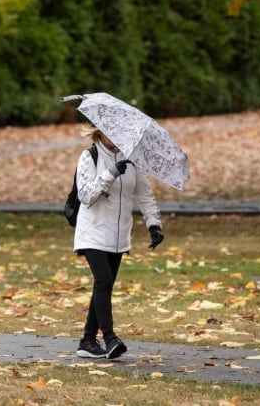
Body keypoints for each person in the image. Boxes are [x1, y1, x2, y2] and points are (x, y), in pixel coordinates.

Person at [73, 125, 165, 359]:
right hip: (92, 232)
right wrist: (110, 173)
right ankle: (110, 338)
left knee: (103, 286)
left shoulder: (132, 159)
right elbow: (85, 196)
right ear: (99, 133)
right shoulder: (89, 156)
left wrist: (153, 224)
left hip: (119, 236)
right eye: (109, 131)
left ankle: (87, 341)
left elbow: (144, 194)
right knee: (103, 281)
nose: (116, 136)